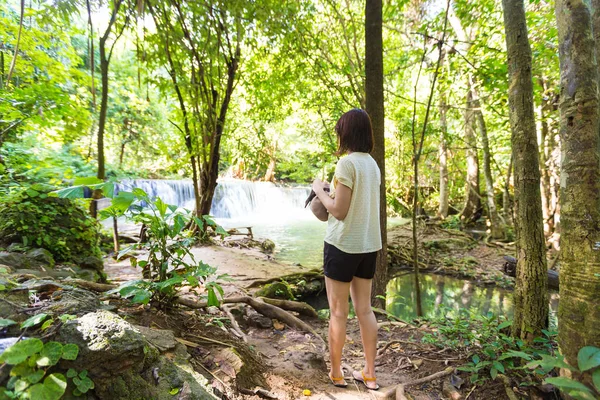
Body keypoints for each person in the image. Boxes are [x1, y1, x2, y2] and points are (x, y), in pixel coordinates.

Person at [312, 108, 382, 390]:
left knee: (338, 313)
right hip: (367, 246)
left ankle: (337, 373)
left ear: (347, 133)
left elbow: (338, 211)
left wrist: (319, 189)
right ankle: (370, 374)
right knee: (365, 310)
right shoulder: (372, 165)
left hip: (342, 246)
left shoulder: (346, 164)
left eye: (340, 130)